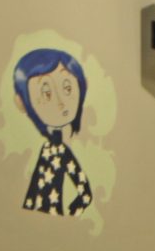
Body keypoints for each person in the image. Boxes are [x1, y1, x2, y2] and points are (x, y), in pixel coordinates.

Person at [11, 48, 95, 216]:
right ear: (21, 102)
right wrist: (27, 212)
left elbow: (85, 192)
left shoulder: (61, 151)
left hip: (55, 220)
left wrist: (72, 215)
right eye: (46, 93)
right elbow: (35, 187)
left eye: (68, 88)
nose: (60, 104)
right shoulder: (47, 149)